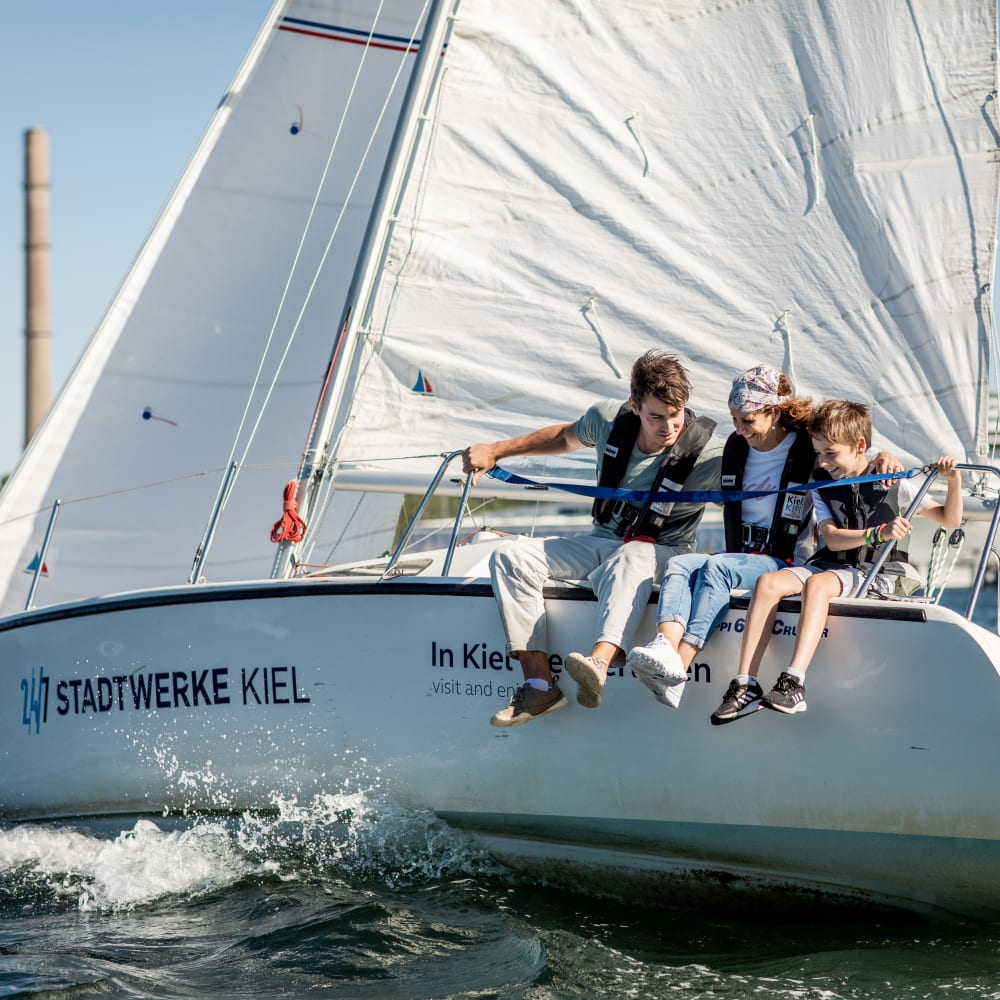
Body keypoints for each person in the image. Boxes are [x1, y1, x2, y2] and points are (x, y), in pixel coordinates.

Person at [462, 351, 724, 727]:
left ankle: (599, 661)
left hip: (666, 555)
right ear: (634, 406)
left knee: (634, 553)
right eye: (656, 416)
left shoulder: (713, 452)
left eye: (676, 414)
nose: (669, 426)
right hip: (601, 544)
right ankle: (539, 685)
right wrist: (495, 450)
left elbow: (761, 484)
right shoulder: (606, 420)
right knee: (510, 556)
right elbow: (561, 437)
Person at [710, 398, 963, 720]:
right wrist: (877, 532)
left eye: (831, 454)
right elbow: (829, 536)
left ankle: (793, 681)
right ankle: (745, 683)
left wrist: (953, 481)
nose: (824, 462)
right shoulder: (823, 484)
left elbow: (949, 519)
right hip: (833, 562)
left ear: (859, 445)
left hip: (880, 569)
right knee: (769, 582)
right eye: (819, 453)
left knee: (817, 584)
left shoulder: (891, 479)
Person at [623, 365, 816, 710]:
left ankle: (680, 667)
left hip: (784, 561)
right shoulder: (737, 447)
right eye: (735, 420)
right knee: (681, 564)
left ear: (773, 412)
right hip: (743, 556)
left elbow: (849, 452)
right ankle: (664, 648)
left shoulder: (807, 447)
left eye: (748, 421)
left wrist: (884, 458)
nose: (740, 430)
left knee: (718, 568)